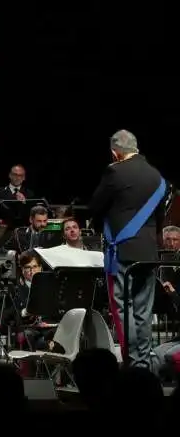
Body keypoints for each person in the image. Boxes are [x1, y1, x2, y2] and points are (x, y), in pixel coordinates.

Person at [89, 130, 166, 370]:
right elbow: (159, 217)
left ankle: (133, 362)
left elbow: (96, 206)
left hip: (122, 251)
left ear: (115, 152)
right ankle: (143, 362)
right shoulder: (157, 176)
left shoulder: (114, 171)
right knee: (144, 311)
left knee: (124, 309)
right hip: (149, 252)